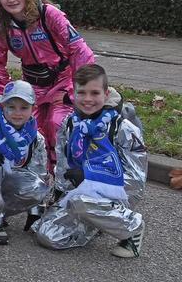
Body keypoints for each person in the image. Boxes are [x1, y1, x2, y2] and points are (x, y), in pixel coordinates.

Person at [34, 65, 147, 258]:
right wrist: (60, 195)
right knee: (48, 236)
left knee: (82, 201)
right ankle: (95, 223)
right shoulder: (70, 123)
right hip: (80, 193)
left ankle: (132, 227)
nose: (87, 99)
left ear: (106, 93)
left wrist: (91, 177)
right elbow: (63, 165)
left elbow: (136, 180)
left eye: (95, 93)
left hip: (117, 192)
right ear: (74, 93)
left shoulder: (122, 127)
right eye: (81, 92)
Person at [0, 0, 94, 169]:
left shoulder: (48, 14)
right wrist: (6, 93)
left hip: (63, 81)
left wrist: (83, 89)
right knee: (30, 130)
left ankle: (65, 174)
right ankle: (38, 178)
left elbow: (79, 49)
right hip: (31, 87)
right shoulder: (1, 25)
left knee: (58, 124)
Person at [0, 81, 49, 245]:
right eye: (11, 107)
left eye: (24, 108)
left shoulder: (35, 138)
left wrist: (36, 210)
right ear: (2, 105)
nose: (17, 113)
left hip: (9, 178)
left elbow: (37, 173)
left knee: (38, 188)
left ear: (33, 108)